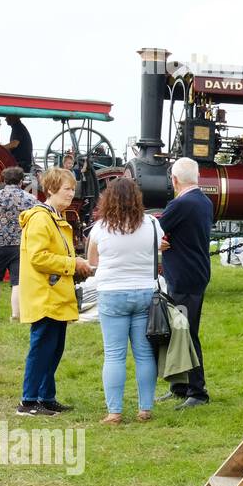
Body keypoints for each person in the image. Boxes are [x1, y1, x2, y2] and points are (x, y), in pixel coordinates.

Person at [87, 178, 161, 425]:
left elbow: (92, 262)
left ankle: (115, 412)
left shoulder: (101, 227)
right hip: (144, 292)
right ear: (137, 198)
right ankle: (145, 409)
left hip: (112, 292)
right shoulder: (151, 224)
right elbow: (159, 250)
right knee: (143, 354)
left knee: (114, 355)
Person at [17, 167, 90, 416]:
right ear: (51, 190)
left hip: (55, 293)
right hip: (44, 294)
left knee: (53, 349)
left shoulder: (54, 216)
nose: (71, 194)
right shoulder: (40, 218)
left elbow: (56, 254)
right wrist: (73, 264)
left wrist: (76, 262)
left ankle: (46, 397)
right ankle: (28, 401)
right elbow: (39, 257)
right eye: (67, 189)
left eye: (72, 189)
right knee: (42, 348)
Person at [159, 157, 213, 410]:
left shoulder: (180, 204)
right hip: (195, 273)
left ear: (174, 180)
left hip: (183, 277)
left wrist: (161, 240)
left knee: (186, 333)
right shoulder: (203, 201)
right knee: (180, 332)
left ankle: (197, 391)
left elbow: (156, 231)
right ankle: (180, 386)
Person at [0, 166, 38, 321]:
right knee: (17, 281)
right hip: (20, 245)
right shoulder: (30, 199)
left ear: (4, 180)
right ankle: (16, 315)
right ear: (21, 181)